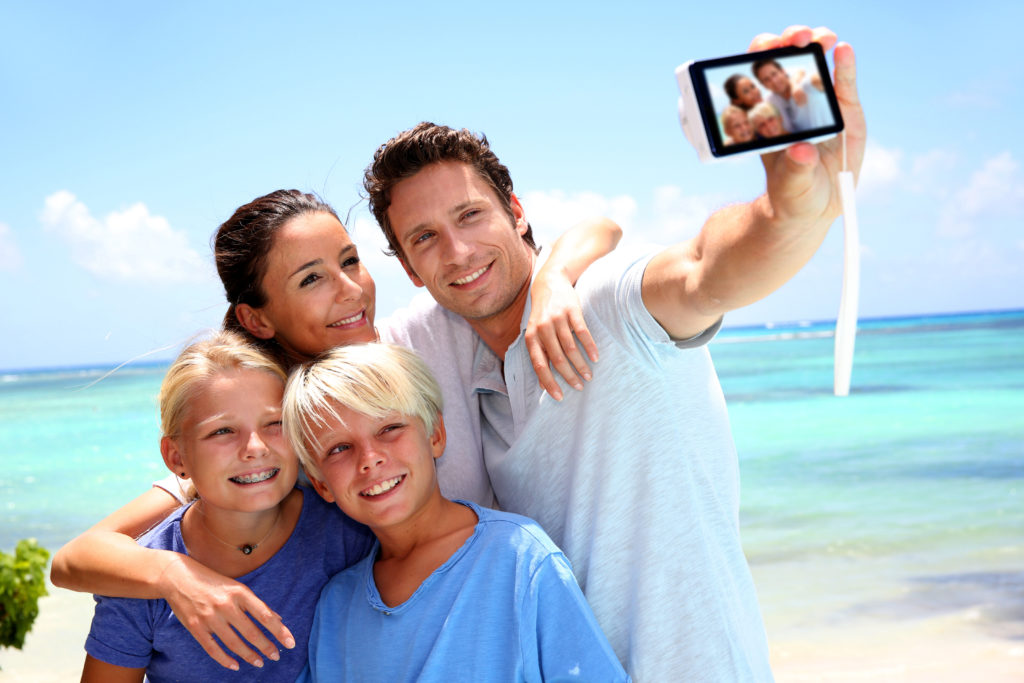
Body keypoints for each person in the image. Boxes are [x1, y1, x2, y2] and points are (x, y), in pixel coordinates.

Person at [360, 25, 863, 682]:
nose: (456, 251)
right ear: (408, 266)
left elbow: (704, 269)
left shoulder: (601, 299)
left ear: (516, 212)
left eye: (471, 216)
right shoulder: (435, 343)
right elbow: (316, 377)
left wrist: (795, 209)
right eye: (425, 237)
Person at [51, 191, 620, 670]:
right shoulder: (257, 445)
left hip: (488, 603)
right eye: (311, 279)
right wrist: (179, 576)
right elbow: (79, 556)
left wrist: (553, 279)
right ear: (257, 318)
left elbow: (601, 225)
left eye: (350, 261)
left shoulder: (414, 341)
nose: (349, 289)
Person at [282, 342, 629, 681]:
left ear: (435, 434)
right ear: (321, 483)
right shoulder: (334, 609)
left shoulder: (520, 558)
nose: (369, 458)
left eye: (389, 428)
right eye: (340, 448)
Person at [80, 331, 374, 681]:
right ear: (176, 457)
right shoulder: (139, 580)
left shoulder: (345, 529)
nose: (255, 447)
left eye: (274, 424)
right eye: (222, 431)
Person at [753, 56, 831, 133]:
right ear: (763, 84)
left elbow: (817, 80)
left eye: (774, 74)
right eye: (767, 79)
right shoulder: (770, 101)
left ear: (783, 71)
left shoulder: (802, 84)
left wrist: (794, 85)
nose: (774, 81)